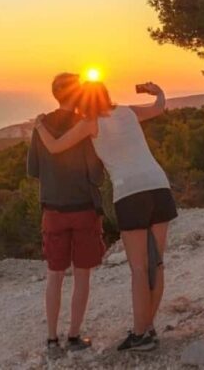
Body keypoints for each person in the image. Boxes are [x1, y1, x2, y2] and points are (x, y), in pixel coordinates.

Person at [34, 81, 177, 352]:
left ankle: (139, 335)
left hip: (130, 193)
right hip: (159, 186)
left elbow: (55, 147)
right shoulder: (128, 112)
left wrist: (40, 124)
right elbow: (159, 108)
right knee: (156, 265)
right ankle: (149, 329)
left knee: (138, 268)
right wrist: (158, 91)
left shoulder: (90, 123)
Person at [27, 73, 106, 354]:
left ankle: (51, 339)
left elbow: (33, 169)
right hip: (83, 208)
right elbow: (95, 173)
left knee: (54, 275)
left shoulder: (41, 125)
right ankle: (74, 337)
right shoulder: (84, 125)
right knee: (82, 275)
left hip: (53, 210)